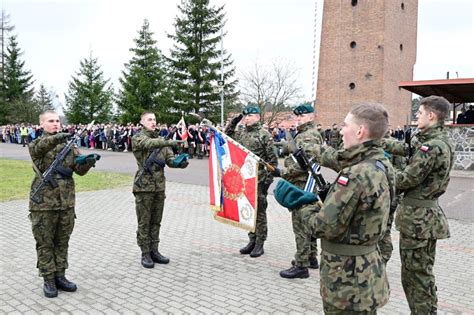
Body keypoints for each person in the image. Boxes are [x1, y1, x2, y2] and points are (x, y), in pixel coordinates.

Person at [299, 103, 395, 314]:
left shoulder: (355, 174)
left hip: (346, 278)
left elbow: (323, 227)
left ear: (360, 131)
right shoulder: (383, 164)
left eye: (345, 125)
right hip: (367, 270)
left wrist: (303, 205)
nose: (341, 130)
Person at [383, 95, 454, 314]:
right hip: (423, 218)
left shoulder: (431, 147)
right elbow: (407, 149)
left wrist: (381, 166)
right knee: (421, 274)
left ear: (431, 116)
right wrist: (379, 141)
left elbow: (405, 179)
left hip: (418, 221)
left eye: (420, 112)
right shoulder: (436, 140)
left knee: (415, 278)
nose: (416, 115)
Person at [28, 110, 100, 298]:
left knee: (62, 241)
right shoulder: (36, 144)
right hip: (43, 203)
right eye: (51, 121)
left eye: (57, 121)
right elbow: (40, 148)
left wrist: (88, 162)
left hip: (66, 202)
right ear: (42, 124)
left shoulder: (69, 146)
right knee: (45, 243)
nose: (55, 124)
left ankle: (60, 275)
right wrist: (62, 137)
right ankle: (48, 279)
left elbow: (79, 170)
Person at [131, 112, 188, 268]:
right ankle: (145, 253)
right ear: (142, 122)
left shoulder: (162, 142)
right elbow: (148, 144)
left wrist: (181, 162)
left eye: (155, 119)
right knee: (144, 222)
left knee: (156, 221)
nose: (153, 122)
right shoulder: (138, 137)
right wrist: (167, 141)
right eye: (149, 119)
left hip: (159, 186)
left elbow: (170, 160)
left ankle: (155, 250)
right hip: (143, 187)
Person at [277, 104, 323, 279]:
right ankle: (311, 257)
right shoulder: (306, 134)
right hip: (305, 184)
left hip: (303, 185)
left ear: (311, 116)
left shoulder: (308, 136)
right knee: (308, 221)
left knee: (301, 225)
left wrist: (282, 172)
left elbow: (304, 164)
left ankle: (301, 264)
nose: (298, 119)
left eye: (302, 116)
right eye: (297, 117)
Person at [225, 106, 278, 258]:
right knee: (249, 212)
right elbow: (227, 135)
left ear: (258, 117)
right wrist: (235, 121)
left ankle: (260, 243)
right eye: (245, 116)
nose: (247, 118)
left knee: (260, 213)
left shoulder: (264, 135)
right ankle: (252, 240)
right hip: (245, 180)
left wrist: (267, 182)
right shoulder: (241, 132)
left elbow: (272, 162)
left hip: (260, 179)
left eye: (250, 116)